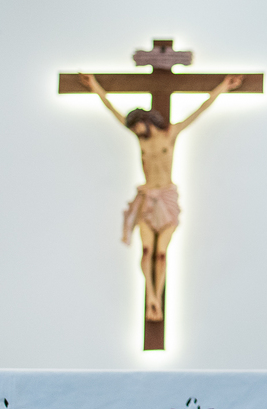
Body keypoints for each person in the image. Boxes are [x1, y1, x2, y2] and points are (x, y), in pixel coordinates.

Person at [78, 72, 242, 320]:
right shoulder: (139, 139)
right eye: (133, 128)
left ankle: (157, 299)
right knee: (145, 251)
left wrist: (223, 87)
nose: (135, 130)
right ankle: (152, 299)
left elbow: (200, 109)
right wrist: (94, 86)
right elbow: (113, 111)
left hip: (165, 199)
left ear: (145, 120)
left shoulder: (170, 134)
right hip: (147, 199)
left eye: (137, 125)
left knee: (161, 254)